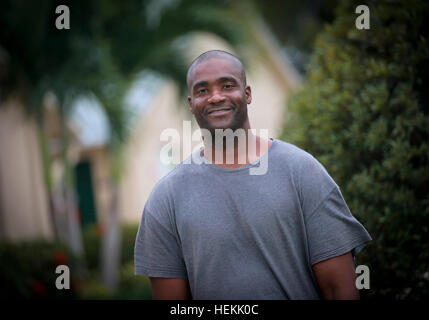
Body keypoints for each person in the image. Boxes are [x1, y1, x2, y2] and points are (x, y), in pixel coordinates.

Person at [134, 50, 372, 300]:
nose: (215, 97)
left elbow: (340, 289)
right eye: (202, 90)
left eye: (227, 85)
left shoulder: (302, 172)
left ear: (247, 94)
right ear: (191, 104)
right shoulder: (166, 198)